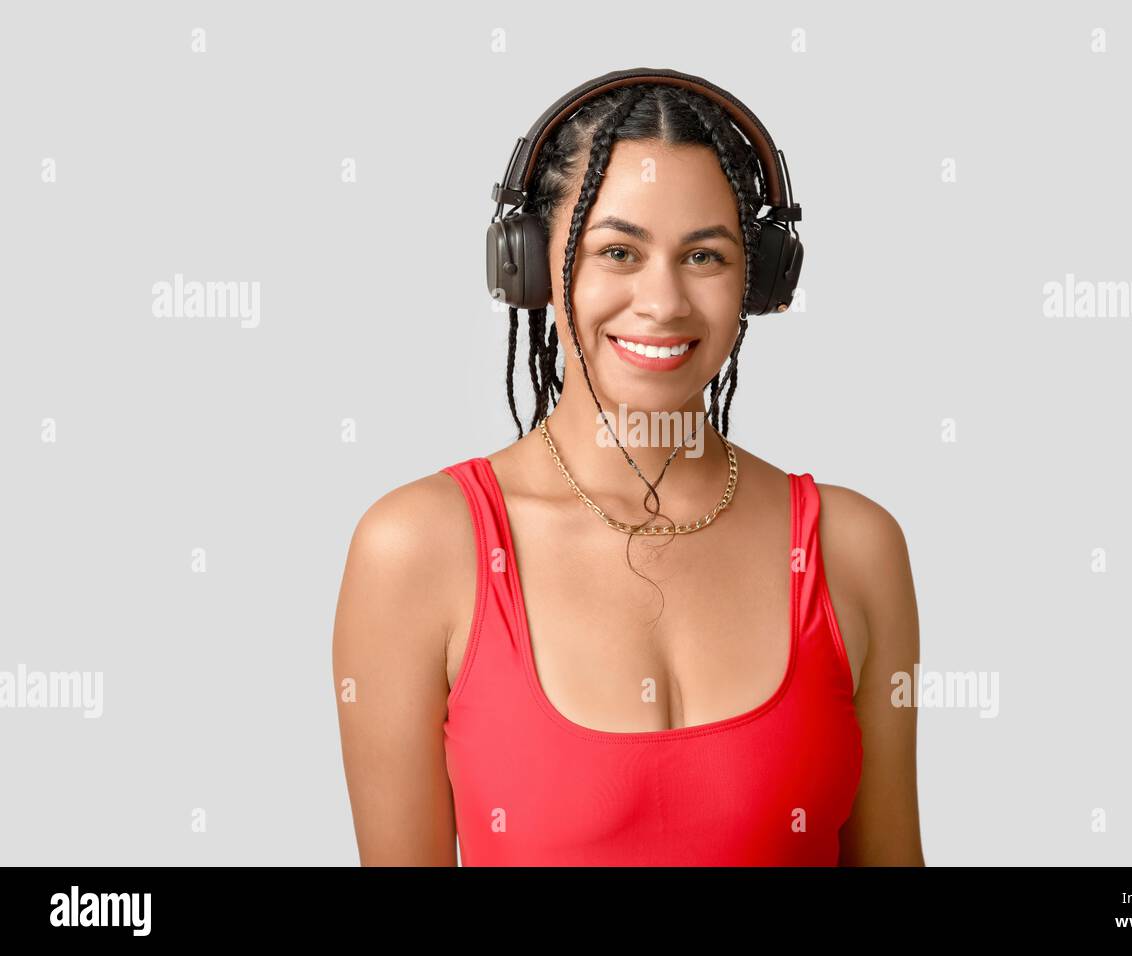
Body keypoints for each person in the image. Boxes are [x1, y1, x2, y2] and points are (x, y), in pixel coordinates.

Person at [333, 71, 923, 866]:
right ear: (529, 267)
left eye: (705, 256)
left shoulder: (855, 549)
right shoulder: (417, 550)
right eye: (618, 250)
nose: (664, 301)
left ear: (761, 280)